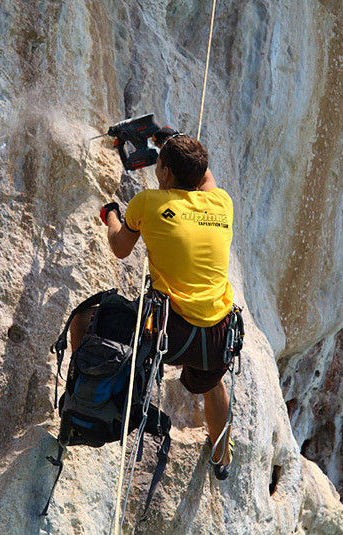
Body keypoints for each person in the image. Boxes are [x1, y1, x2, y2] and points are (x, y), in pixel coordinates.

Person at [89, 135, 235, 480]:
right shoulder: (221, 203)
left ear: (165, 172)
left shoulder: (149, 203)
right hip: (215, 339)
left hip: (168, 334)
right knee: (215, 387)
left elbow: (121, 248)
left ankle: (89, 409)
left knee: (89, 320)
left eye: (159, 165)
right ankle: (222, 456)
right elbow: (205, 178)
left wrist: (111, 215)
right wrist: (172, 140)